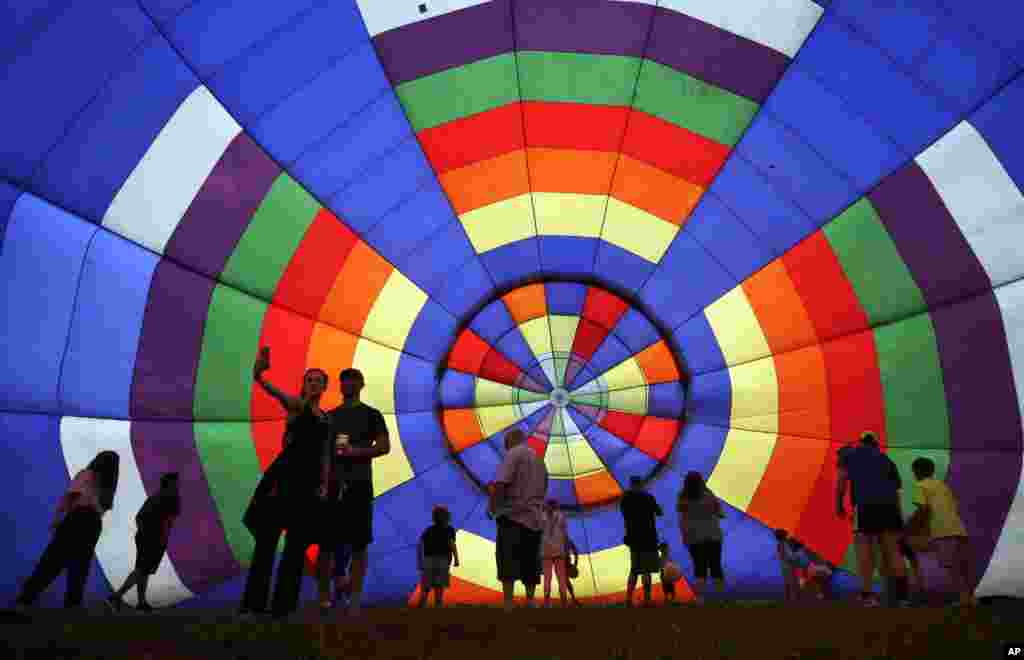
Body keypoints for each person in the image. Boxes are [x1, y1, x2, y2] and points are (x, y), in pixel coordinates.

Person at [240, 348, 332, 619]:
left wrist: (325, 483)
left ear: (325, 387)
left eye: (318, 380)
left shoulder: (326, 419)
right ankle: (254, 605)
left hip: (308, 483)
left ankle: (283, 607)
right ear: (304, 385)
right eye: (310, 380)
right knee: (267, 541)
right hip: (283, 479)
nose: (314, 384)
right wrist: (260, 377)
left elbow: (326, 453)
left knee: (297, 544)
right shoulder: (297, 406)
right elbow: (278, 394)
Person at [16, 451, 120, 610]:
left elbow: (70, 496)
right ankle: (72, 605)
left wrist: (58, 517)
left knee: (52, 560)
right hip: (94, 523)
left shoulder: (87, 474)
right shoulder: (108, 486)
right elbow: (104, 509)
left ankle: (25, 599)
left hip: (78, 518)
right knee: (80, 566)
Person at [324, 368, 390, 617]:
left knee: (360, 542)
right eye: (344, 380)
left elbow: (384, 446)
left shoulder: (371, 415)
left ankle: (354, 599)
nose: (348, 384)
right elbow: (323, 453)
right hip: (333, 485)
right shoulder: (331, 417)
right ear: (340, 385)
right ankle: (335, 589)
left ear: (361, 384)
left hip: (360, 484)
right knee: (331, 542)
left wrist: (355, 452)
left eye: (353, 380)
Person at [836, 431, 909, 606]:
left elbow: (841, 480)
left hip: (865, 505)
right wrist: (899, 517)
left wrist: (838, 504)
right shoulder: (887, 461)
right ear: (875, 444)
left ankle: (868, 596)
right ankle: (902, 598)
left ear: (860, 443)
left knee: (865, 552)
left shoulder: (849, 454)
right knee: (893, 552)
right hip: (890, 509)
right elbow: (897, 492)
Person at [489, 428, 549, 611]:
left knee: (508, 558)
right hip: (535, 519)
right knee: (531, 560)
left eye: (506, 443)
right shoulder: (540, 460)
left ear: (511, 441)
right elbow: (544, 489)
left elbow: (501, 483)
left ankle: (508, 602)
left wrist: (494, 507)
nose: (505, 447)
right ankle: (530, 600)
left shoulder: (512, 454)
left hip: (512, 516)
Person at [106, 473, 181, 613]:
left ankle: (141, 602)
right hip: (153, 540)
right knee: (141, 570)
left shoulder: (156, 497)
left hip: (144, 537)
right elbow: (168, 522)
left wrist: (144, 534)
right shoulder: (172, 499)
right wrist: (160, 540)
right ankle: (116, 597)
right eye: (175, 483)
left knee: (143, 570)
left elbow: (139, 518)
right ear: (170, 484)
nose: (178, 486)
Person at [906, 457, 975, 607]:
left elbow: (923, 510)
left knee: (951, 566)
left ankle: (962, 599)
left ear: (916, 471)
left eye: (913, 471)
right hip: (958, 528)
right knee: (960, 565)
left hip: (942, 530)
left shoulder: (920, 485)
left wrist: (910, 526)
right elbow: (952, 507)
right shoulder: (943, 486)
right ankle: (969, 598)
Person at [677, 471, 725, 604]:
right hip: (713, 535)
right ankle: (721, 600)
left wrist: (684, 536)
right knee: (715, 566)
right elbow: (721, 514)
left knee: (699, 567)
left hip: (694, 537)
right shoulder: (709, 496)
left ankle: (700, 599)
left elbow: (682, 520)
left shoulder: (683, 498)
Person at [620, 476, 663, 607]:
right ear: (641, 485)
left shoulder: (626, 499)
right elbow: (660, 512)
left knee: (635, 569)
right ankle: (647, 599)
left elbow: (625, 516)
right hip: (649, 537)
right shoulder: (649, 498)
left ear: (631, 485)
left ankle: (628, 598)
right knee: (647, 569)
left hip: (634, 538)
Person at [416, 505, 459, 608]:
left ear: (434, 518)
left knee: (426, 586)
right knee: (439, 585)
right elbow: (452, 544)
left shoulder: (428, 530)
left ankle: (422, 603)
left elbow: (419, 545)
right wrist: (456, 559)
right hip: (443, 560)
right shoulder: (450, 530)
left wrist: (420, 561)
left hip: (429, 560)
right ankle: (438, 604)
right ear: (447, 517)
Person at [540, 500, 570, 608]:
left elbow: (565, 535)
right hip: (552, 552)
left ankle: (555, 602)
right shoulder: (559, 517)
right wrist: (566, 550)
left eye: (551, 506)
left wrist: (566, 550)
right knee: (557, 578)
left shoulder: (545, 516)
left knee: (554, 578)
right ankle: (559, 602)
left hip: (551, 551)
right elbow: (565, 535)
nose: (550, 508)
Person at [775, 529, 798, 602]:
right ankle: (792, 599)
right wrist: (795, 556)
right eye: (785, 535)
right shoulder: (784, 544)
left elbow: (782, 556)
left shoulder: (779, 545)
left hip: (784, 566)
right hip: (789, 566)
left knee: (787, 583)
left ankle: (788, 599)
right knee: (792, 583)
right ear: (783, 536)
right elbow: (789, 556)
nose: (786, 536)